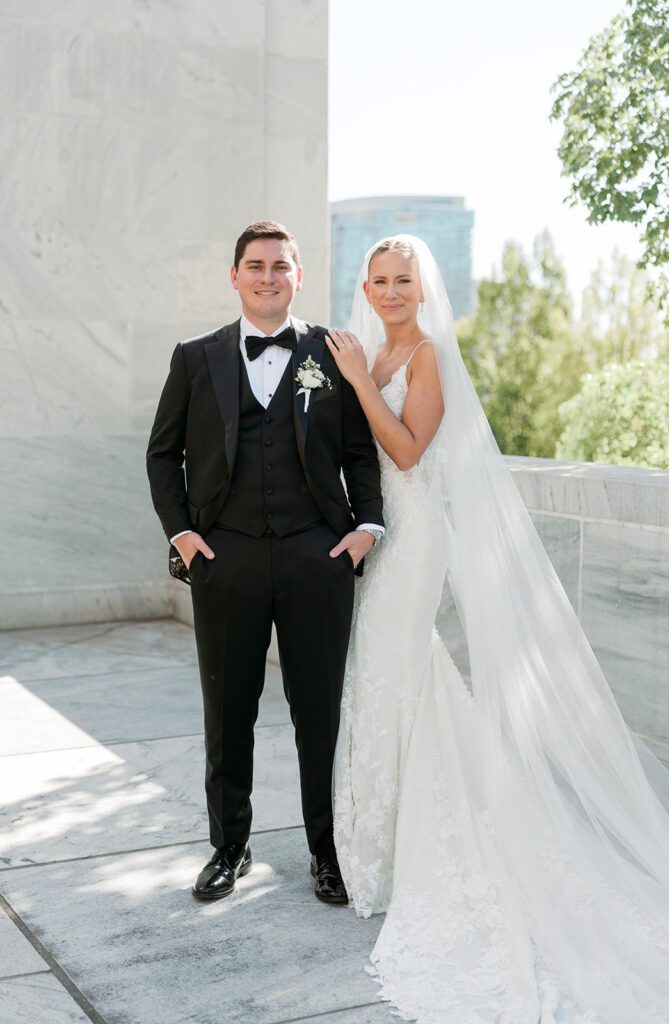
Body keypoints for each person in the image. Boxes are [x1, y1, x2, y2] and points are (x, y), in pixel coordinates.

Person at [328, 235, 669, 1023]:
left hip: (413, 541)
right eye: (379, 280)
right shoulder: (375, 353)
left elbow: (410, 454)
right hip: (375, 542)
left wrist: (355, 381)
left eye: (404, 281)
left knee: (395, 672)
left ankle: (417, 852)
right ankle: (380, 843)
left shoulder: (423, 356)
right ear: (365, 285)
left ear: (424, 288)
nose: (390, 292)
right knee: (393, 677)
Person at [146, 221, 384, 905]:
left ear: (298, 277)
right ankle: (229, 848)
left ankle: (327, 852)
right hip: (227, 558)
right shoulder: (195, 358)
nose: (267, 275)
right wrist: (183, 535)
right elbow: (163, 455)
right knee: (227, 711)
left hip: (318, 557)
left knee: (319, 714)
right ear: (234, 276)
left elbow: (359, 452)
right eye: (255, 265)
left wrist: (364, 528)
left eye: (281, 265)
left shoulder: (331, 353)